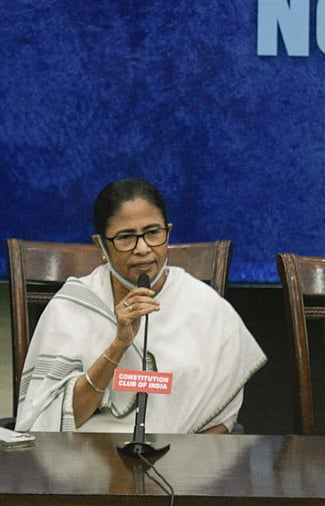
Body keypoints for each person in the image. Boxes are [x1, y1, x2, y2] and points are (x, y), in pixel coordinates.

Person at [16, 178, 267, 433]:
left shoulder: (207, 308)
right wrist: (118, 346)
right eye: (126, 237)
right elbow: (45, 424)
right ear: (101, 245)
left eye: (153, 233)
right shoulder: (72, 306)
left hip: (177, 465)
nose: (143, 248)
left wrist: (182, 467)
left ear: (168, 231)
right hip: (86, 463)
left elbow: (222, 419)